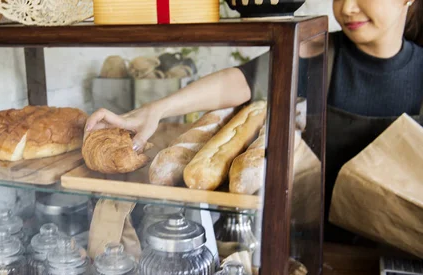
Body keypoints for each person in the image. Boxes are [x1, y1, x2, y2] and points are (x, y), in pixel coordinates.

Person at [84, 0, 423, 242]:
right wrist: (154, 110)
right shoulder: (318, 50)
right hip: (317, 250)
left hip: (399, 257)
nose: (347, 8)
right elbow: (242, 81)